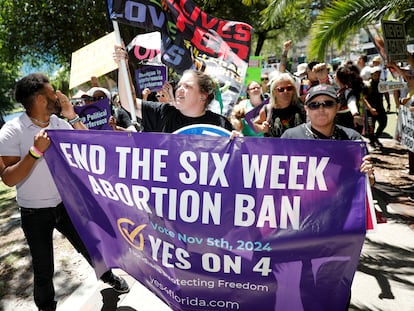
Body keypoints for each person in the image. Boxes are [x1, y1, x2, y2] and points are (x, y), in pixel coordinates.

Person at [0, 73, 129, 311]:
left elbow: (92, 149)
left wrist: (72, 115)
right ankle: (46, 307)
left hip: (66, 204)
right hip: (34, 212)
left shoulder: (60, 123)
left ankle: (108, 278)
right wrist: (34, 152)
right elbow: (8, 178)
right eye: (52, 93)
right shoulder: (11, 131)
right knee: (43, 268)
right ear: (40, 99)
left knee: (91, 246)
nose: (58, 96)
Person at [114, 45, 233, 133]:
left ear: (203, 95)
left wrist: (237, 142)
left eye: (187, 86)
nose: (180, 89)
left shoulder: (221, 125)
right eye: (179, 85)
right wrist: (122, 65)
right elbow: (129, 104)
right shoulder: (163, 113)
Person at [281, 83, 375, 185]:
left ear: (337, 107)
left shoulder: (352, 139)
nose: (321, 109)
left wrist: (369, 177)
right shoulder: (290, 137)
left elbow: (365, 184)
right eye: (314, 105)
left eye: (328, 104)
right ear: (306, 109)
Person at [253, 73, 306, 137]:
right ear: (274, 92)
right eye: (281, 89)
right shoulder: (268, 110)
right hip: (275, 146)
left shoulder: (303, 105)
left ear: (294, 90)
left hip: (299, 146)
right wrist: (262, 128)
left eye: (289, 88)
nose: (286, 92)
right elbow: (255, 123)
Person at [362, 66, 388, 150]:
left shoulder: (382, 84)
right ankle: (372, 142)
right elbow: (364, 98)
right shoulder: (367, 85)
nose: (378, 75)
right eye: (376, 74)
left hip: (380, 108)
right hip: (370, 110)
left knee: (383, 123)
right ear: (372, 75)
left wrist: (389, 103)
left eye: (379, 74)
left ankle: (376, 137)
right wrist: (370, 109)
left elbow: (386, 93)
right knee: (371, 128)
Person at [334, 65, 364, 131]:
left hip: (347, 124)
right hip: (340, 123)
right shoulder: (339, 91)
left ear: (338, 78)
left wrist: (355, 114)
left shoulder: (347, 91)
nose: (333, 76)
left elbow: (351, 103)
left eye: (335, 75)